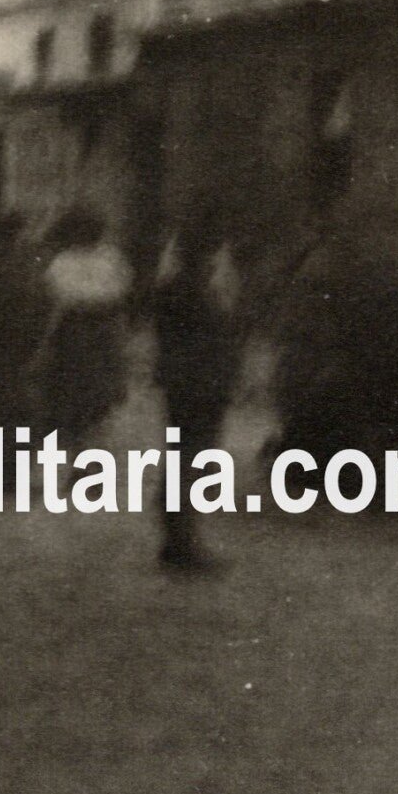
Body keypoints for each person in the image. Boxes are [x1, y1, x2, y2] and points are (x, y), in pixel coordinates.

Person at [151, 207, 240, 573]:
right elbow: (219, 340)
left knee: (181, 457)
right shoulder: (201, 296)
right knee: (194, 460)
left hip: (180, 383)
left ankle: (177, 539)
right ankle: (184, 543)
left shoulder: (172, 289)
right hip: (202, 386)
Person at [33, 207, 132, 448]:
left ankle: (89, 456)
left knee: (95, 398)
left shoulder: (108, 257)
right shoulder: (67, 260)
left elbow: (120, 290)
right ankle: (85, 455)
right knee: (79, 398)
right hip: (80, 329)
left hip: (95, 328)